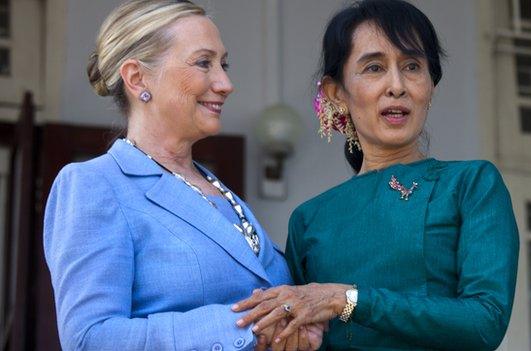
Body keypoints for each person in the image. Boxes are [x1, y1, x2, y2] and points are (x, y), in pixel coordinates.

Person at [233, 0, 520, 350]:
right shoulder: (310, 220)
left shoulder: (470, 185)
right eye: (374, 68)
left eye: (412, 66)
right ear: (336, 93)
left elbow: (484, 322)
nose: (396, 85)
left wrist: (348, 300)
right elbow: (300, 334)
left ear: (431, 86)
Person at [43, 1, 322, 350]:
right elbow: (90, 339)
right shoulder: (94, 185)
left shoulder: (224, 195)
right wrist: (245, 327)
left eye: (224, 64)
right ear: (137, 77)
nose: (225, 83)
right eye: (204, 63)